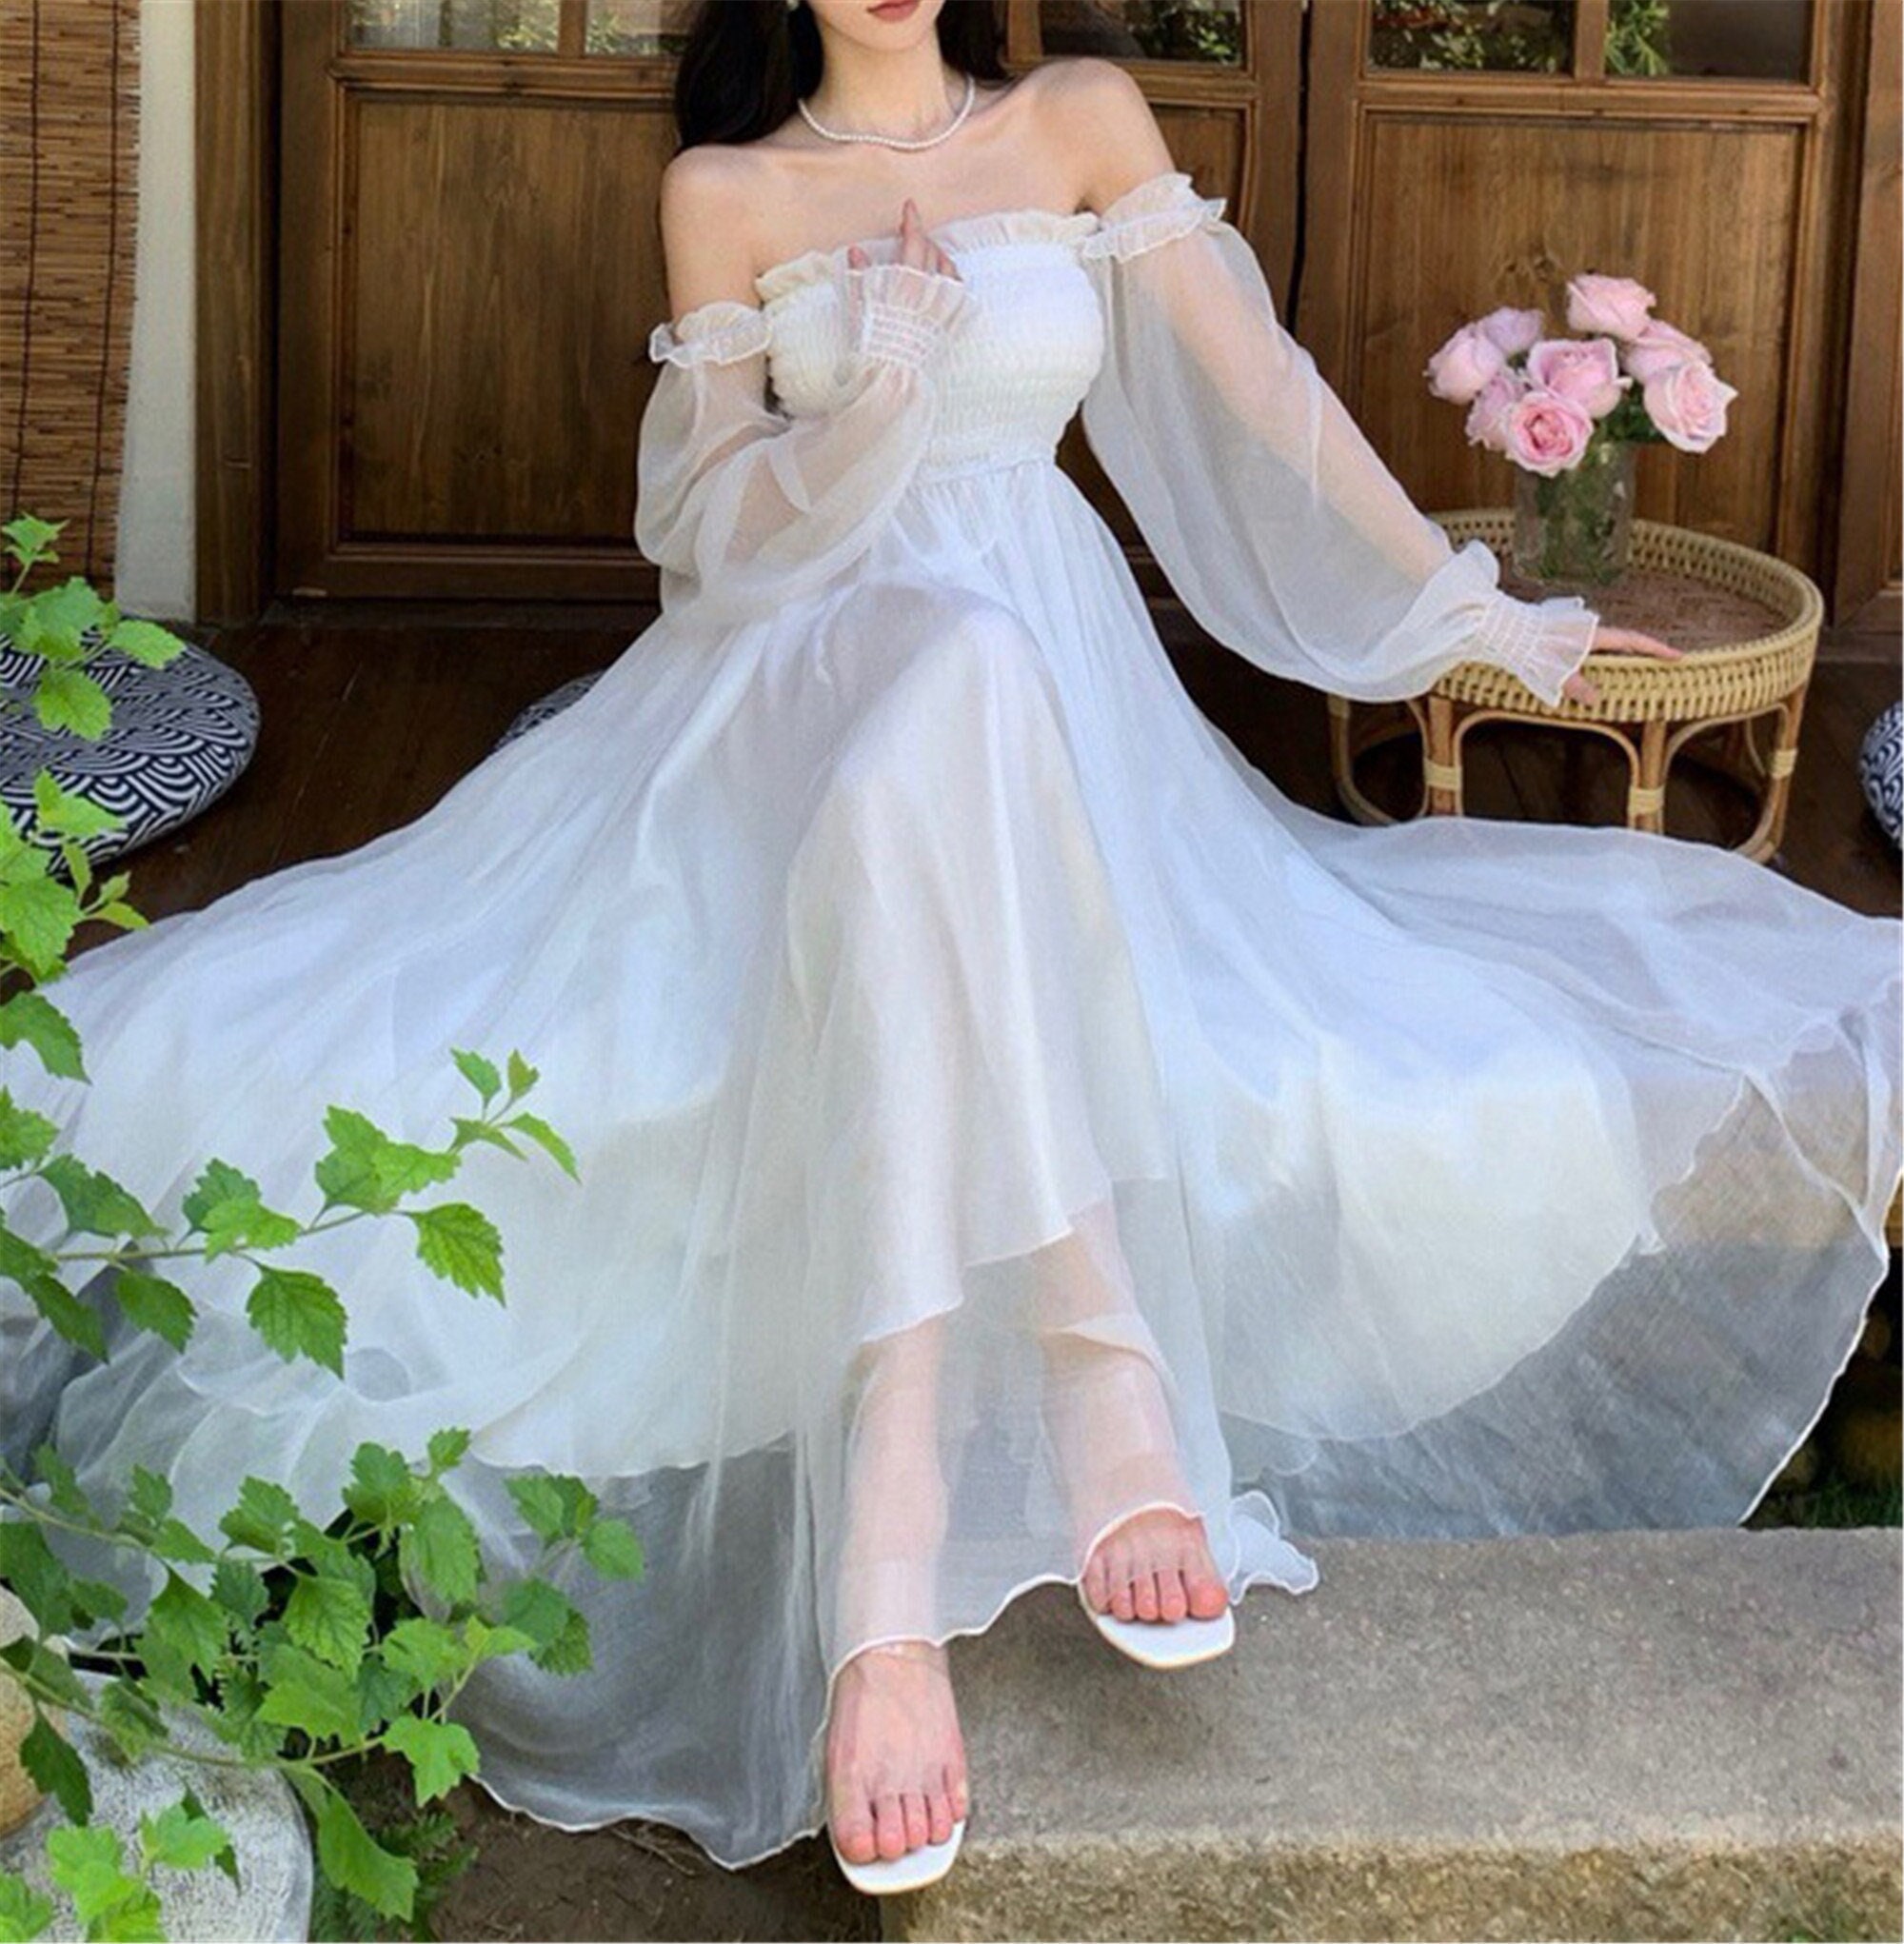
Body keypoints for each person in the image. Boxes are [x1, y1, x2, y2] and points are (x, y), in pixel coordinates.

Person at [3, 0, 1897, 1904]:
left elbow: (1263, 389)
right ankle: (1099, 1364)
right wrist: (883, 393)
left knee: (978, 685)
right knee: (945, 683)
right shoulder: (726, 189)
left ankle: (884, 1574)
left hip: (1040, 680)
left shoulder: (1075, 117)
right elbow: (706, 539)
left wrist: (1477, 606)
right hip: (786, 677)